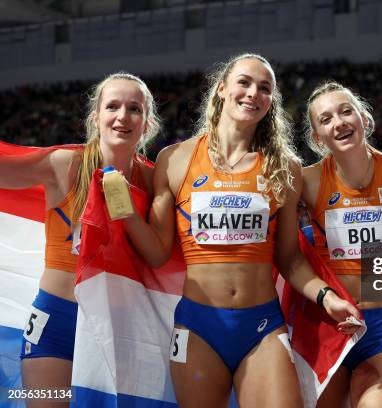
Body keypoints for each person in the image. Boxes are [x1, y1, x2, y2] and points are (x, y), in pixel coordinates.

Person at [120, 54, 359, 407]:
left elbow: (290, 260)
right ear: (221, 89)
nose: (253, 93)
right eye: (244, 83)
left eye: (265, 88)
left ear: (271, 102)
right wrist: (122, 211)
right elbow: (156, 252)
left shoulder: (284, 168)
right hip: (197, 327)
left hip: (262, 325)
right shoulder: (176, 159)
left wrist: (328, 298)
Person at [0, 72, 160, 407]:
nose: (122, 116)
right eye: (112, 106)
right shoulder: (66, 165)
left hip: (119, 331)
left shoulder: (155, 181)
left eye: (134, 109)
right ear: (96, 116)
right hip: (56, 322)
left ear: (147, 122)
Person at [301, 81, 382, 407]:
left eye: (346, 111)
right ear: (318, 138)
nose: (339, 122)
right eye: (326, 119)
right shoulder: (307, 182)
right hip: (327, 327)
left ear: (363, 119)